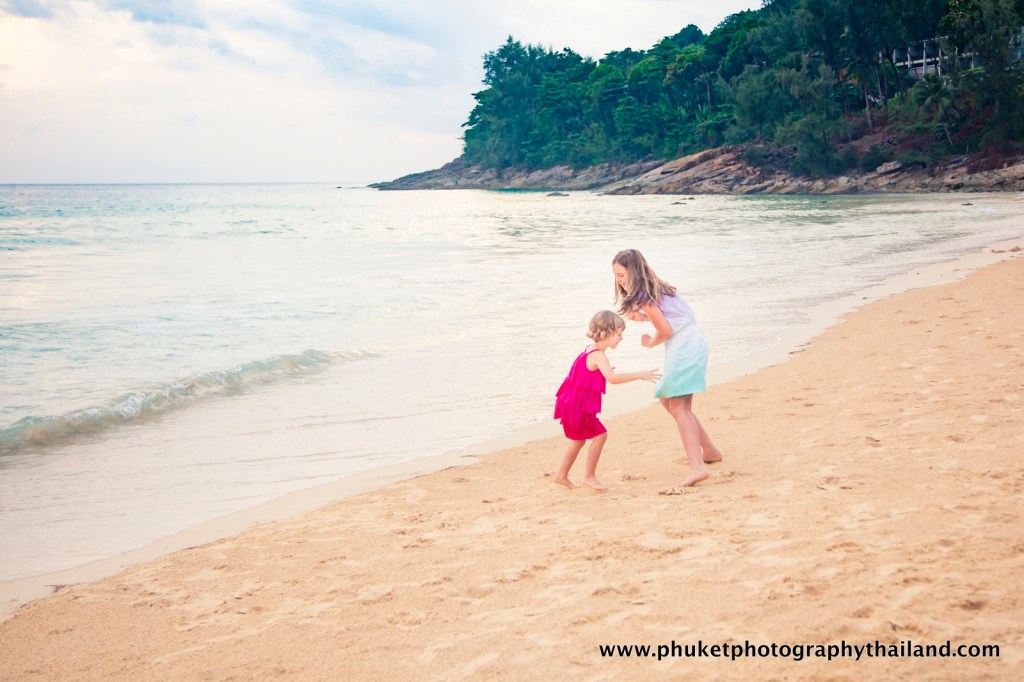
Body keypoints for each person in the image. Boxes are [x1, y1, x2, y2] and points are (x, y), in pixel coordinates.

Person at [612, 249, 724, 487]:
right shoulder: (659, 289)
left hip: (684, 347)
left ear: (633, 272)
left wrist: (650, 342)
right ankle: (710, 451)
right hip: (690, 343)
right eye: (616, 276)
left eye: (621, 275)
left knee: (679, 407)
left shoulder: (645, 296)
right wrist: (644, 318)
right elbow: (672, 317)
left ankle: (697, 467)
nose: (618, 280)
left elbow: (666, 330)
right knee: (669, 400)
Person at [554, 310, 659, 491]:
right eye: (619, 334)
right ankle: (588, 477)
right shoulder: (598, 355)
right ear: (607, 333)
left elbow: (585, 374)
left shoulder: (591, 350)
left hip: (571, 404)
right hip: (576, 407)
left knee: (578, 441)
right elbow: (613, 378)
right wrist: (640, 375)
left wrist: (603, 372)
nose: (621, 338)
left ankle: (561, 476)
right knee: (600, 435)